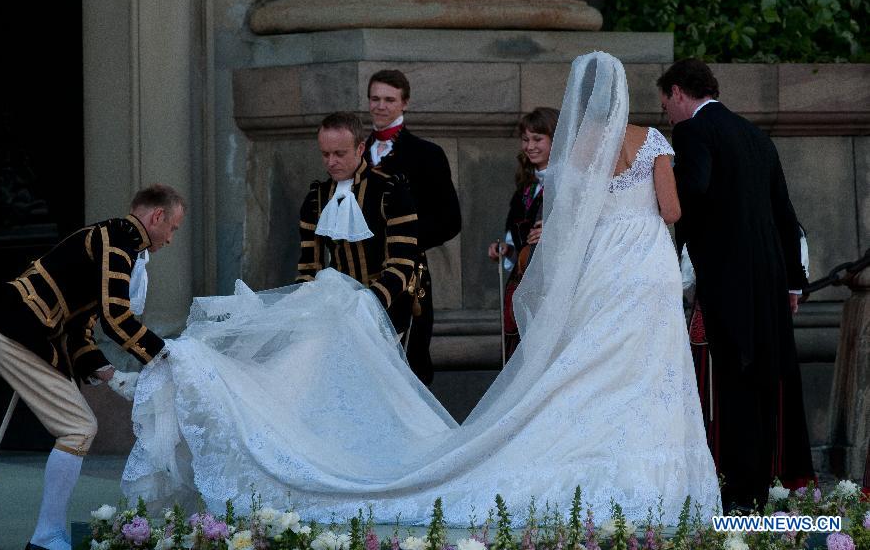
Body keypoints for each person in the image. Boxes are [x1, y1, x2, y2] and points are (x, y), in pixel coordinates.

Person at [123, 52, 719, 526]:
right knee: (648, 365)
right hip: (644, 264)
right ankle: (650, 474)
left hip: (597, 270)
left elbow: (561, 228)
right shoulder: (656, 142)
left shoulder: (575, 152)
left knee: (590, 362)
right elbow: (670, 211)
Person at [0, 184, 185, 550]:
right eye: (174, 228)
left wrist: (113, 377)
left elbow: (79, 332)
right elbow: (114, 315)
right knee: (78, 428)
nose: (171, 239)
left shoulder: (111, 239)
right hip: (14, 334)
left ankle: (48, 535)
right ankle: (47, 537)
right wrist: (164, 356)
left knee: (77, 427)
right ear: (157, 217)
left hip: (14, 334)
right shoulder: (119, 240)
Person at [658, 59, 813, 510]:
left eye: (665, 102)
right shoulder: (755, 135)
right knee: (764, 385)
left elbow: (693, 191)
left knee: (733, 383)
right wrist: (794, 284)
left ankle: (738, 494)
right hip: (769, 279)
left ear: (679, 93)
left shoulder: (691, 133)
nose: (666, 112)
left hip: (727, 279)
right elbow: (784, 213)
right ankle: (758, 491)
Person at [364, 69, 461, 385]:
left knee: (410, 360)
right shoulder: (353, 153)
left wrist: (403, 242)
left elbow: (449, 220)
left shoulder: (427, 154)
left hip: (407, 275)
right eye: (375, 99)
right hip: (359, 273)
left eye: (389, 99)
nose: (381, 106)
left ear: (404, 103)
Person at [296, 112, 420, 318]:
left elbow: (402, 264)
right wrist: (304, 306)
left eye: (339, 153)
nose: (331, 162)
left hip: (386, 308)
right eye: (325, 154)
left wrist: (366, 306)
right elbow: (309, 267)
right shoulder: (316, 198)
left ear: (360, 148)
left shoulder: (389, 191)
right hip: (334, 307)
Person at [487, 107, 559, 358]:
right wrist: (506, 248)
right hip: (523, 277)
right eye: (526, 139)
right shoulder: (526, 186)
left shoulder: (568, 184)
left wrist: (553, 232)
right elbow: (514, 229)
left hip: (552, 282)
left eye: (538, 139)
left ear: (555, 140)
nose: (530, 146)